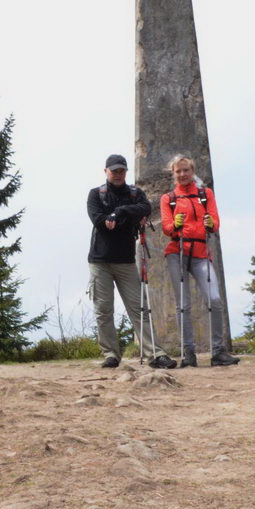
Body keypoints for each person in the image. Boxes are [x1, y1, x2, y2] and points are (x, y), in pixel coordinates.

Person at [87, 154, 176, 369]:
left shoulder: (135, 193)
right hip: (100, 261)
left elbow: (146, 208)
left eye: (121, 170)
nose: (118, 174)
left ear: (126, 172)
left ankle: (156, 353)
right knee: (103, 310)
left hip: (126, 261)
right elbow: (98, 220)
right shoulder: (96, 194)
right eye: (114, 171)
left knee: (140, 309)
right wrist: (127, 217)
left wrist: (119, 212)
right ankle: (111, 355)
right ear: (106, 171)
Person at [159, 155, 240, 367]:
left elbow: (215, 223)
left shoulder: (205, 194)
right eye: (178, 171)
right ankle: (189, 354)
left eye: (186, 170)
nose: (182, 174)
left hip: (201, 252)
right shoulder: (168, 198)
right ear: (173, 173)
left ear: (192, 171)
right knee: (183, 304)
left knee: (214, 299)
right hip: (177, 252)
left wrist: (210, 222)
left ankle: (218, 352)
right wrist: (175, 225)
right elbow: (167, 228)